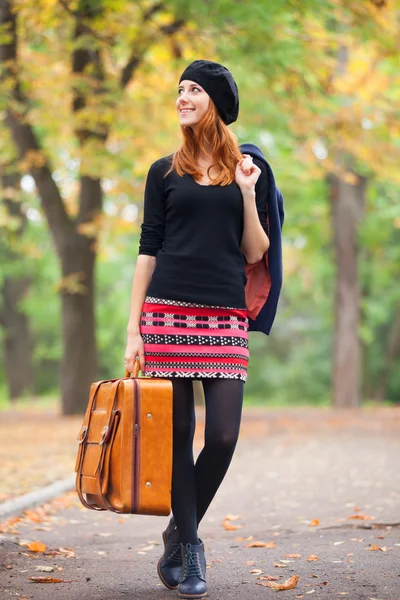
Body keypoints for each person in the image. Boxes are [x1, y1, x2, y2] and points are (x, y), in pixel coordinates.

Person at [124, 59, 270, 600]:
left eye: (192, 90)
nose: (182, 97)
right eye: (179, 89)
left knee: (225, 435)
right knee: (180, 436)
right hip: (166, 314)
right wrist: (133, 329)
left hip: (225, 316)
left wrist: (249, 196)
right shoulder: (163, 171)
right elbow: (148, 250)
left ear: (214, 101)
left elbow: (256, 251)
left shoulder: (247, 169)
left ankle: (176, 529)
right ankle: (191, 547)